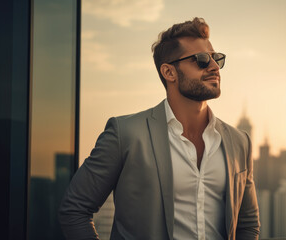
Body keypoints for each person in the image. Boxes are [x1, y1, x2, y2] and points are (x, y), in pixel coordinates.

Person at [59, 17, 260, 240]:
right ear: (169, 72)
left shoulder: (240, 142)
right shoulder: (125, 133)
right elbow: (74, 209)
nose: (214, 67)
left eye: (216, 58)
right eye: (202, 60)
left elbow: (247, 224)